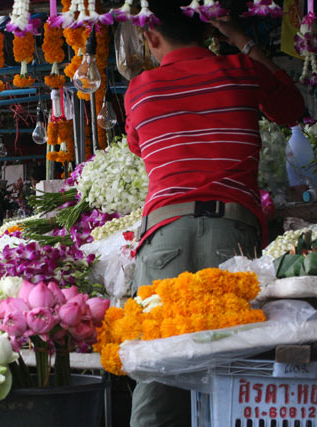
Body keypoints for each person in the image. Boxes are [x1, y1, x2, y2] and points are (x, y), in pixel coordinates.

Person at [125, 2, 305, 426]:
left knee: (158, 364)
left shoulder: (140, 89)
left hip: (165, 233)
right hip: (233, 233)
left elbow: (137, 145)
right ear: (210, 31)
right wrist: (243, 42)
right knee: (237, 366)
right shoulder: (242, 71)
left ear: (152, 37)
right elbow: (294, 109)